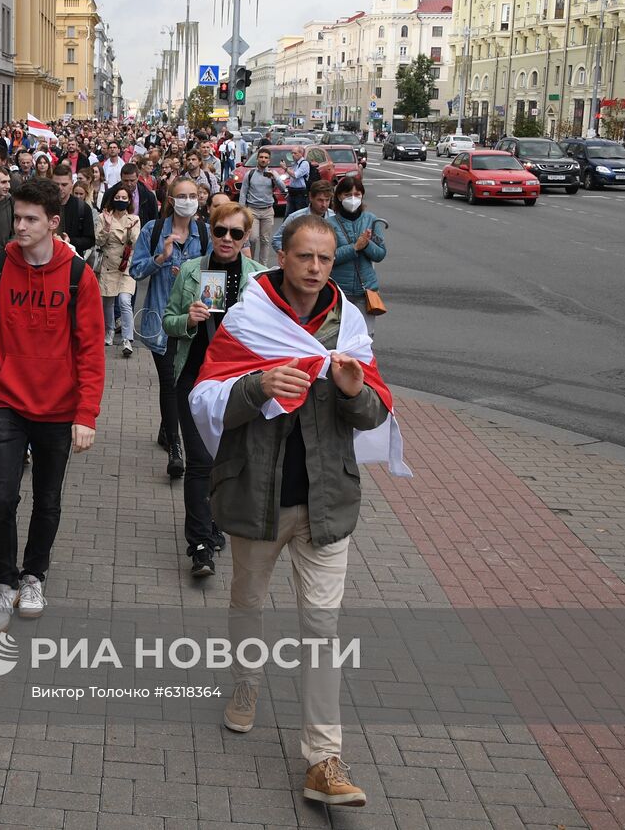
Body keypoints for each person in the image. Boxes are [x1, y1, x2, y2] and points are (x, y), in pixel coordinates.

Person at [190, 212, 405, 810]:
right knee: (248, 605)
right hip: (258, 496)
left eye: (324, 258)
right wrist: (258, 386)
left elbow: (377, 411)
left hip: (326, 502)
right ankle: (246, 685)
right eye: (304, 256)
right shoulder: (248, 317)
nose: (315, 268)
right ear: (280, 256)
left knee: (322, 628)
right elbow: (207, 402)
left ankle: (324, 757)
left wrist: (354, 391)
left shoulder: (349, 320)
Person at [0, 178, 103, 631]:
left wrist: (86, 414)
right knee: (0, 498)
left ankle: (33, 575)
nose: (19, 226)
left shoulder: (80, 275)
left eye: (30, 219)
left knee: (48, 499)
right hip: (6, 400)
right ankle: (4, 582)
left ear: (53, 223)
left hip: (59, 408)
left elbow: (90, 352)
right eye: (16, 217)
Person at [162, 201, 265, 574]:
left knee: (228, 460)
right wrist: (187, 320)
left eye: (236, 233)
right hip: (194, 376)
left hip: (238, 381)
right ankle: (200, 544)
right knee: (201, 462)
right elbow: (168, 322)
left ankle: (217, 521)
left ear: (245, 237)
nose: (226, 239)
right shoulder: (192, 271)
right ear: (212, 231)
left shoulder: (259, 278)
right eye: (220, 231)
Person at [129, 175, 211, 479]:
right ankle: (176, 448)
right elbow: (135, 270)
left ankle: (167, 428)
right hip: (160, 322)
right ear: (171, 200)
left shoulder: (204, 233)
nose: (189, 200)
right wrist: (161, 258)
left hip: (193, 323)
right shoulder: (153, 230)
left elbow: (215, 273)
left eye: (193, 195)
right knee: (170, 383)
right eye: (182, 195)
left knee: (184, 381)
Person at [324, 176, 385, 337]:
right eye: (347, 195)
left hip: (365, 290)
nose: (353, 199)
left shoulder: (371, 220)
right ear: (339, 196)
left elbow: (380, 254)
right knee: (339, 336)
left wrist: (367, 244)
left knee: (365, 337)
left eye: (357, 194)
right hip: (338, 291)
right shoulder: (329, 224)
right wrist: (355, 247)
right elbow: (328, 257)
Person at [94, 184, 140, 358]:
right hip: (108, 263)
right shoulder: (103, 216)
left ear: (129, 201)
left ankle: (128, 339)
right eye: (118, 197)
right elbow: (98, 242)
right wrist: (106, 227)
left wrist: (131, 231)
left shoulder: (134, 219)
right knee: (108, 301)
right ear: (112, 198)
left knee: (124, 300)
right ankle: (110, 331)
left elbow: (137, 243)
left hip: (126, 265)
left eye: (124, 198)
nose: (120, 201)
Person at [240, 149, 288, 266]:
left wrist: (274, 178)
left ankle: (262, 266)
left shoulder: (273, 174)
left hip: (267, 210)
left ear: (269, 160)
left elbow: (283, 189)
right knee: (252, 239)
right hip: (252, 210)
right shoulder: (250, 174)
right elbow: (243, 192)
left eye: (266, 158)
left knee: (265, 240)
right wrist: (241, 211)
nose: (263, 159)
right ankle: (250, 263)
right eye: (261, 157)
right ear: (257, 159)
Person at [274, 179, 335, 252]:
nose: (324, 205)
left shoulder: (334, 217)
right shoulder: (295, 218)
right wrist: (291, 255)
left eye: (327, 200)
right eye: (320, 200)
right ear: (311, 197)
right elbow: (277, 240)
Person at [52, 163, 96, 257]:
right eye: (56, 184)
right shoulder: (44, 205)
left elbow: (90, 240)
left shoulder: (82, 208)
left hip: (72, 259)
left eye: (64, 184)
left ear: (72, 183)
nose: (60, 188)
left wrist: (70, 241)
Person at [111, 162, 160, 228]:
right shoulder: (111, 193)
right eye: (125, 180)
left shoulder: (148, 196)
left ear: (138, 178)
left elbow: (154, 221)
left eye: (132, 180)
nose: (129, 184)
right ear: (121, 178)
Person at [287, 146, 311, 214]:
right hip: (292, 192)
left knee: (300, 214)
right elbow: (291, 179)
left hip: (300, 193)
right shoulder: (294, 164)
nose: (293, 155)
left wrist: (285, 168)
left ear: (301, 154)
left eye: (295, 153)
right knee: (289, 215)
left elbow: (295, 175)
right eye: (292, 153)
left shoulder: (304, 163)